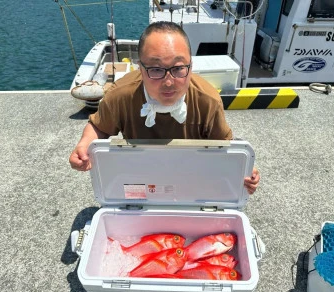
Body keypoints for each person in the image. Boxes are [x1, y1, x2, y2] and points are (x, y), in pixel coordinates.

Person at [69, 21, 260, 194]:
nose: (168, 82)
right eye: (156, 69)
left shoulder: (207, 100)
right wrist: (84, 144)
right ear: (140, 68)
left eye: (178, 68)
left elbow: (225, 147)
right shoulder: (120, 95)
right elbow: (99, 127)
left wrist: (244, 170)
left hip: (191, 176)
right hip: (140, 174)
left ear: (190, 67)